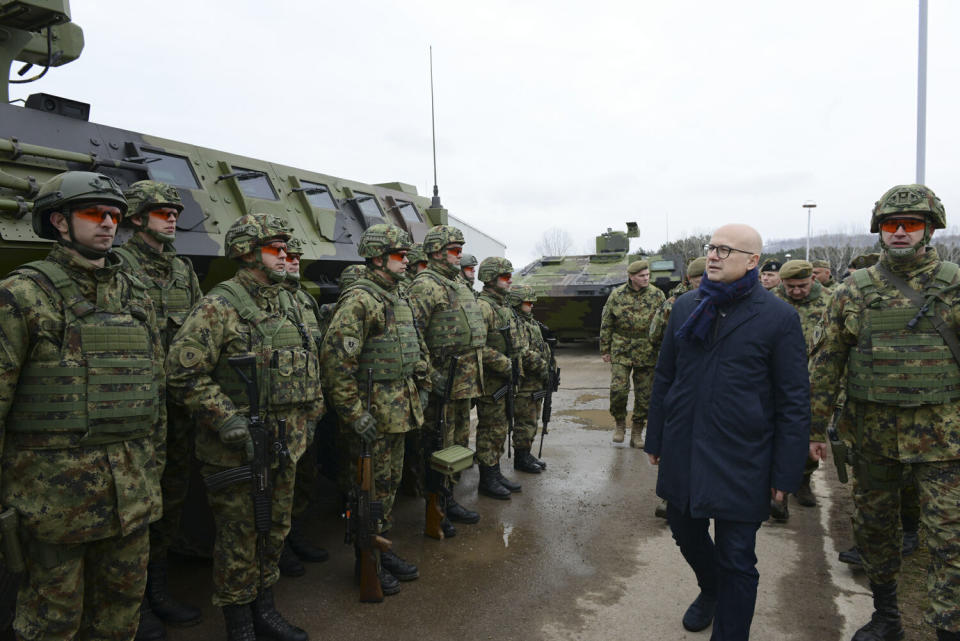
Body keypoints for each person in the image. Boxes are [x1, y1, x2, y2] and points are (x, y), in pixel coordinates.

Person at [0, 171, 166, 641]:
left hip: (131, 499)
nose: (109, 224)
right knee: (51, 624)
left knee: (120, 618)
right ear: (59, 221)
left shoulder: (136, 298)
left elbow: (155, 396)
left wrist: (154, 472)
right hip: (52, 506)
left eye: (114, 215)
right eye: (94, 214)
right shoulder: (22, 296)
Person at [809, 184, 960, 641]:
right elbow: (826, 362)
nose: (899, 232)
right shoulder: (852, 290)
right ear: (879, 230)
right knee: (875, 530)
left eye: (910, 224)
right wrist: (813, 428)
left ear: (929, 228)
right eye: (891, 224)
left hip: (945, 439)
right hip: (873, 438)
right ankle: (887, 615)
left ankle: (947, 625)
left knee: (948, 539)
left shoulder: (955, 285)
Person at [645, 224, 809, 640]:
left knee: (737, 556)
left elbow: (793, 400)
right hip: (684, 447)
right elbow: (666, 376)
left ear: (752, 261)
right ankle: (711, 590)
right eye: (711, 248)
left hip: (743, 456)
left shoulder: (778, 317)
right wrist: (657, 435)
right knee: (684, 531)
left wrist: (785, 474)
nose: (713, 256)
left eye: (725, 249)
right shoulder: (686, 307)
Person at [166, 213, 322, 641]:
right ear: (248, 252)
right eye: (276, 248)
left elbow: (308, 365)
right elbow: (183, 373)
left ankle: (265, 609)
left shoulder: (288, 301)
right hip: (238, 450)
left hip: (285, 444)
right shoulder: (221, 305)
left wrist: (310, 416)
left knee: (274, 530)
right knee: (238, 538)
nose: (286, 255)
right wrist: (226, 417)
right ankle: (239, 624)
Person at [319, 224, 432, 595]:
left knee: (388, 488)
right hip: (372, 418)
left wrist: (422, 382)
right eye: (400, 256)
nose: (406, 262)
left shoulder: (395, 297)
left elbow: (413, 348)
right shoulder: (359, 300)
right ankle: (365, 560)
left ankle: (380, 548)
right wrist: (354, 413)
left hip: (398, 411)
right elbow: (337, 363)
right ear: (378, 257)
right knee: (366, 493)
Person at [113, 179, 204, 639]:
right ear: (135, 217)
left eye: (174, 211)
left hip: (179, 407)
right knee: (135, 509)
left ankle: (159, 589)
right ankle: (135, 600)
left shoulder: (182, 271)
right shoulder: (117, 267)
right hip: (139, 412)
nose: (172, 217)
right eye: (160, 211)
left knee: (171, 500)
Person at [407, 226, 498, 532]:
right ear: (435, 252)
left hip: (464, 383)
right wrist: (430, 377)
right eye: (454, 251)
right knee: (437, 447)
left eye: (461, 251)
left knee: (458, 445)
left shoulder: (457, 284)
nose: (460, 256)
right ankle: (436, 505)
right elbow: (412, 335)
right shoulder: (425, 286)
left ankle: (450, 496)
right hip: (440, 386)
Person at [276, 236, 330, 578]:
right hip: (283, 412)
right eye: (287, 255)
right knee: (279, 485)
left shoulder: (303, 300)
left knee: (303, 479)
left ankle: (294, 535)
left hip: (307, 408)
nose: (294, 261)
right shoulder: (271, 300)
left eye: (297, 256)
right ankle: (279, 548)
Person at [770, 259, 833, 518]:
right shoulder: (771, 301)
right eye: (790, 286)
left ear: (814, 280)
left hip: (818, 379)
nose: (796, 291)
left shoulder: (831, 301)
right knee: (776, 434)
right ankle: (778, 495)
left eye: (802, 286)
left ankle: (803, 481)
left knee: (809, 434)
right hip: (778, 379)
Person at [649, 255, 705, 520]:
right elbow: (656, 333)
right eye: (698, 277)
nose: (703, 282)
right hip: (678, 374)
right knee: (674, 442)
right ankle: (666, 497)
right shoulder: (675, 304)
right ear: (689, 279)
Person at [475, 257, 526, 499]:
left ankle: (495, 472)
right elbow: (478, 347)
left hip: (506, 380)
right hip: (492, 381)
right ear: (491, 279)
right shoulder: (483, 307)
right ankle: (487, 478)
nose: (510, 280)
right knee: (490, 429)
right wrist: (505, 364)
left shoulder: (503, 307)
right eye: (505, 277)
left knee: (501, 427)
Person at [599, 260, 665, 447]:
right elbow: (607, 322)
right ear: (631, 276)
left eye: (647, 275)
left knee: (645, 395)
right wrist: (605, 349)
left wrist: (663, 349)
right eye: (641, 276)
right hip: (621, 348)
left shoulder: (657, 295)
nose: (646, 278)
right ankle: (619, 423)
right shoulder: (617, 295)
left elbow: (664, 324)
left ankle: (637, 432)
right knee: (618, 390)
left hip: (648, 349)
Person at [507, 284, 551, 472]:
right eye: (527, 302)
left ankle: (526, 452)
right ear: (517, 302)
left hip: (536, 382)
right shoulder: (516, 323)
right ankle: (521, 458)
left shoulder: (531, 322)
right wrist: (544, 368)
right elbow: (524, 353)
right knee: (525, 420)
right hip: (525, 382)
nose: (531, 305)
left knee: (533, 419)